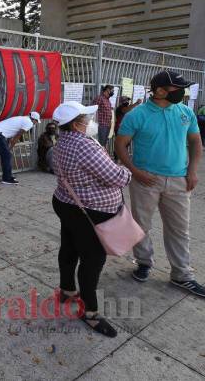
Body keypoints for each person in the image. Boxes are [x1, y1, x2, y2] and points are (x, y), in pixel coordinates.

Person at [115, 71, 205, 297]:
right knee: (141, 225)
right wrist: (135, 171)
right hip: (146, 180)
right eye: (178, 88)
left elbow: (195, 142)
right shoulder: (137, 115)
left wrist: (192, 171)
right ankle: (144, 262)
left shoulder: (185, 113)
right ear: (160, 90)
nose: (182, 93)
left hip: (179, 180)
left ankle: (182, 275)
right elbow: (120, 145)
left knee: (179, 229)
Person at [51, 101, 131, 338]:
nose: (89, 123)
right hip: (90, 211)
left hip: (66, 203)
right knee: (92, 260)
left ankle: (67, 290)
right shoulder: (85, 146)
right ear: (76, 125)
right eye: (86, 119)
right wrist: (126, 172)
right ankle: (90, 312)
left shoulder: (61, 143)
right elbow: (116, 177)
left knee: (69, 248)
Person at [0, 112, 41, 185]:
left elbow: (11, 134)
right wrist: (10, 148)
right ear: (33, 119)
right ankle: (6, 178)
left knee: (6, 155)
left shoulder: (22, 118)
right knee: (7, 155)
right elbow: (17, 136)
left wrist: (9, 147)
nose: (36, 123)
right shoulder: (29, 123)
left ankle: (8, 176)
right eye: (36, 121)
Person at [113, 96, 142, 161]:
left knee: (125, 145)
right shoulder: (120, 108)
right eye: (126, 100)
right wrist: (136, 103)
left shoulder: (126, 108)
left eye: (128, 101)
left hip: (125, 129)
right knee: (120, 145)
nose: (127, 102)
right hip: (119, 128)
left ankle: (122, 159)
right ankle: (117, 159)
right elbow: (126, 110)